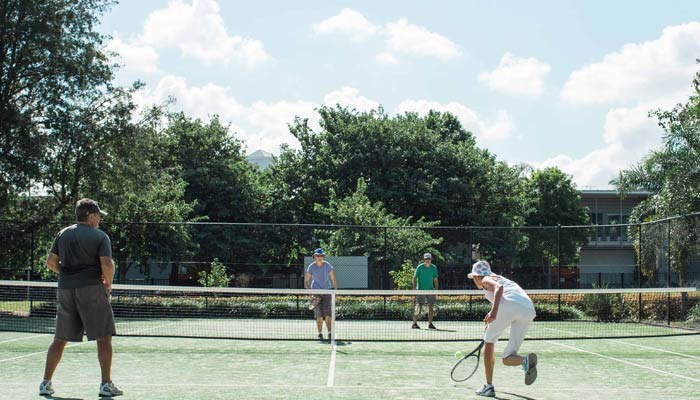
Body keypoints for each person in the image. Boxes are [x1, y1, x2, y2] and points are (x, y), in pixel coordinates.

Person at [39, 199, 123, 397]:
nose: (100, 219)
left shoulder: (63, 234)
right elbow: (107, 264)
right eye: (98, 216)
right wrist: (108, 284)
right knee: (103, 338)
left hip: (65, 290)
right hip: (92, 289)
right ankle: (106, 385)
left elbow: (50, 262)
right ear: (90, 216)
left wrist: (66, 274)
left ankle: (45, 383)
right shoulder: (100, 236)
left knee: (59, 339)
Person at [467, 260, 538, 397]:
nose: (474, 281)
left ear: (477, 276)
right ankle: (525, 360)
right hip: (528, 309)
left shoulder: (486, 279)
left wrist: (494, 313)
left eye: (473, 278)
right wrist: (492, 312)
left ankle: (488, 387)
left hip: (509, 306)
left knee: (489, 343)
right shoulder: (499, 278)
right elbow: (504, 297)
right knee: (507, 358)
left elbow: (499, 289)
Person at [304, 248, 338, 341]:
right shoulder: (311, 267)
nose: (320, 257)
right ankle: (320, 334)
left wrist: (335, 291)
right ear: (314, 257)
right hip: (316, 293)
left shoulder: (327, 266)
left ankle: (330, 333)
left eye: (321, 256)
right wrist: (311, 294)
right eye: (318, 256)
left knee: (328, 315)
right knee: (319, 316)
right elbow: (306, 281)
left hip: (327, 292)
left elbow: (333, 278)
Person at [412, 252, 438, 329]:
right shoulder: (420, 267)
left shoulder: (434, 268)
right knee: (418, 306)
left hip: (431, 290)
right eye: (426, 259)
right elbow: (414, 278)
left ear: (431, 259)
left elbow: (435, 279)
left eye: (429, 259)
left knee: (431, 307)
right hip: (420, 290)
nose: (428, 260)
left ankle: (430, 324)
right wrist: (414, 289)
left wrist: (436, 290)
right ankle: (414, 323)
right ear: (424, 259)